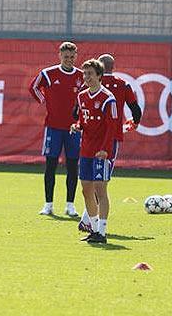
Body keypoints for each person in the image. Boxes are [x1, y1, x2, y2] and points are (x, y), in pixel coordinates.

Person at [78, 54, 142, 232]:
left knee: (99, 185)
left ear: (100, 71)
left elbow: (76, 112)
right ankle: (90, 222)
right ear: (113, 67)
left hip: (105, 142)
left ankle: (95, 226)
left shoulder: (104, 94)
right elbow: (135, 108)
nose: (87, 76)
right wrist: (134, 123)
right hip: (108, 139)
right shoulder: (122, 84)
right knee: (94, 185)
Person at [28, 42, 83, 217]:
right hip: (53, 127)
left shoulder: (81, 76)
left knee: (73, 166)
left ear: (76, 56)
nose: (69, 60)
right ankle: (48, 204)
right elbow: (33, 87)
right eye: (66, 56)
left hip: (74, 129)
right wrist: (44, 100)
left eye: (72, 57)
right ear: (60, 56)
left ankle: (70, 205)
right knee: (50, 165)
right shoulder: (48, 73)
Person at [71, 59, 119, 244]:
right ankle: (93, 228)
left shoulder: (108, 98)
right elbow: (83, 122)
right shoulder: (82, 96)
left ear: (99, 76)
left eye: (90, 74)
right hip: (86, 149)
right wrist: (77, 127)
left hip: (101, 151)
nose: (86, 77)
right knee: (85, 190)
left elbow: (111, 128)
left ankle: (103, 232)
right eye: (85, 74)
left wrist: (105, 150)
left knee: (100, 190)